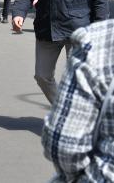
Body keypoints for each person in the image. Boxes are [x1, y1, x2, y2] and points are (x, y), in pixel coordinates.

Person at [42, 19, 114, 182]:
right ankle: (67, 110)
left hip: (78, 23)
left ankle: (69, 113)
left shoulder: (98, 42)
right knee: (43, 75)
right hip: (49, 29)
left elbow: (65, 148)